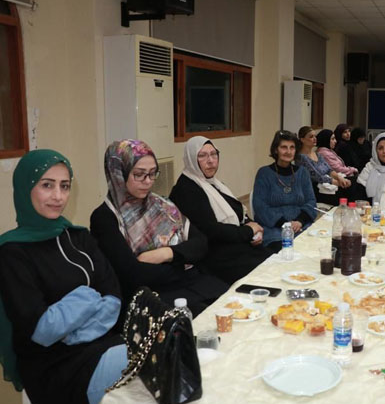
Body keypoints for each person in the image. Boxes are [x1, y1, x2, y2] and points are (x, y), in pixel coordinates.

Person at [0, 150, 126, 404]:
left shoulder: (77, 237)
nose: (58, 196)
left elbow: (113, 297)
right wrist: (88, 296)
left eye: (64, 186)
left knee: (165, 348)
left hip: (100, 347)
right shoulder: (12, 252)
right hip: (54, 373)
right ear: (25, 188)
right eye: (47, 185)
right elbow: (43, 329)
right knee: (156, 361)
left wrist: (72, 328)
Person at [91, 140, 228, 316]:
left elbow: (201, 243)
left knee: (234, 304)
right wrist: (184, 262)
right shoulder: (105, 217)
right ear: (118, 174)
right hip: (151, 297)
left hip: (191, 283)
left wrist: (166, 254)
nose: (148, 181)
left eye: (152, 173)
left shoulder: (163, 205)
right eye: (139, 175)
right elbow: (133, 274)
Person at [169, 136, 272, 285]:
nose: (211, 161)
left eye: (214, 154)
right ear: (191, 159)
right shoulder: (186, 189)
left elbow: (238, 211)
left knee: (276, 260)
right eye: (202, 156)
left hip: (234, 245)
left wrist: (254, 228)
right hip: (214, 255)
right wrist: (249, 231)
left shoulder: (214, 184)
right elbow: (211, 230)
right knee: (267, 272)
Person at [252, 130, 317, 251]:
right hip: (274, 228)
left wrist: (300, 221)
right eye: (284, 147)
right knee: (285, 251)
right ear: (276, 150)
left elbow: (311, 202)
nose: (288, 151)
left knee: (314, 248)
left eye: (292, 147)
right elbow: (260, 207)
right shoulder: (264, 173)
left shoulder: (302, 172)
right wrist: (285, 224)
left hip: (300, 226)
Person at [296, 126, 361, 206]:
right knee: (346, 191)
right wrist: (336, 182)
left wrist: (339, 178)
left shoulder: (317, 154)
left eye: (315, 136)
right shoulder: (301, 157)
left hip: (327, 183)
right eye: (311, 137)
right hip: (315, 188)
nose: (314, 139)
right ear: (302, 139)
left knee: (353, 183)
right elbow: (316, 176)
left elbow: (329, 170)